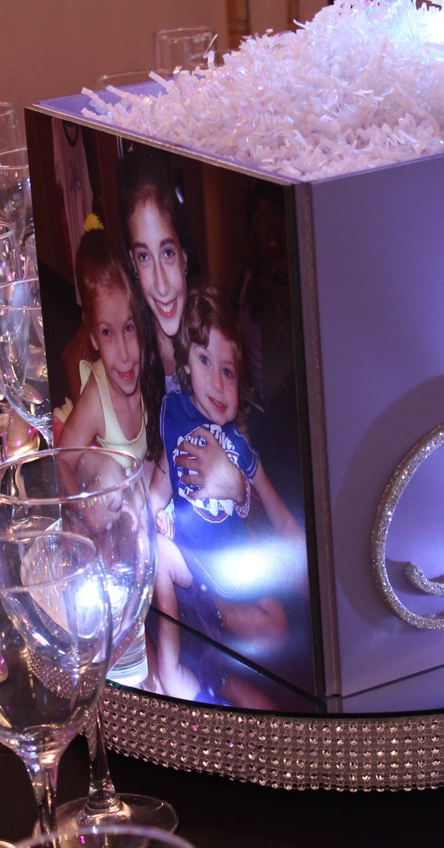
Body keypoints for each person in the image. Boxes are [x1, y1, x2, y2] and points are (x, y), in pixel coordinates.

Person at [150, 284, 303, 700]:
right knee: (161, 553)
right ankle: (170, 665)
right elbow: (161, 478)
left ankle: (210, 624)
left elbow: (272, 507)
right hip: (188, 563)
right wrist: (150, 513)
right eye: (204, 361)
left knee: (277, 623)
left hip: (225, 577)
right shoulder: (177, 419)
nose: (217, 383)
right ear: (186, 368)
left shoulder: (240, 445)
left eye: (228, 371)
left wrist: (241, 492)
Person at [58, 220, 163, 465]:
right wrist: (84, 503)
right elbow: (62, 461)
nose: (125, 355)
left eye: (129, 328)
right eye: (107, 333)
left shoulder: (150, 369)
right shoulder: (94, 400)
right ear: (92, 335)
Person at [121, 168, 192, 386]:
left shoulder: (211, 340)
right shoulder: (130, 354)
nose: (161, 286)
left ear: (184, 257)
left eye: (168, 253)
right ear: (133, 263)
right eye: (144, 256)